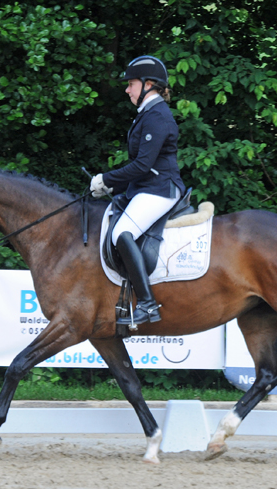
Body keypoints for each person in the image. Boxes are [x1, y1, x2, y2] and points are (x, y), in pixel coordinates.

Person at [90, 55, 186, 326]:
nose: (127, 89)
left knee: (122, 232)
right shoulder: (148, 113)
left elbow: (142, 165)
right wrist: (111, 184)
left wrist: (106, 178)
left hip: (159, 189)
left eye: (131, 84)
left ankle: (147, 304)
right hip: (147, 187)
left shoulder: (157, 116)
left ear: (149, 84)